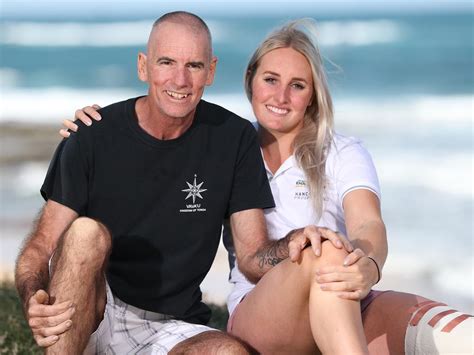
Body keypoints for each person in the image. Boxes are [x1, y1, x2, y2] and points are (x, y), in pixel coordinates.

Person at [68, 18, 473, 354]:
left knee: (456, 336)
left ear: (312, 96)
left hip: (343, 298)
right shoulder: (223, 144)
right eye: (271, 79)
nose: (281, 96)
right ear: (250, 82)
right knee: (324, 247)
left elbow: (368, 227)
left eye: (298, 85)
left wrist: (368, 266)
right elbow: (156, 135)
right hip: (262, 314)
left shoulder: (344, 152)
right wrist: (93, 128)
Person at [16, 12, 346, 354]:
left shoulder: (233, 140)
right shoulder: (92, 136)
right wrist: (33, 298)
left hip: (170, 326)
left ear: (211, 71)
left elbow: (251, 256)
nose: (180, 79)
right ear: (143, 67)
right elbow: (41, 246)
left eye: (194, 66)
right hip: (94, 310)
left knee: (229, 352)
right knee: (86, 233)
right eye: (166, 62)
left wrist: (295, 242)